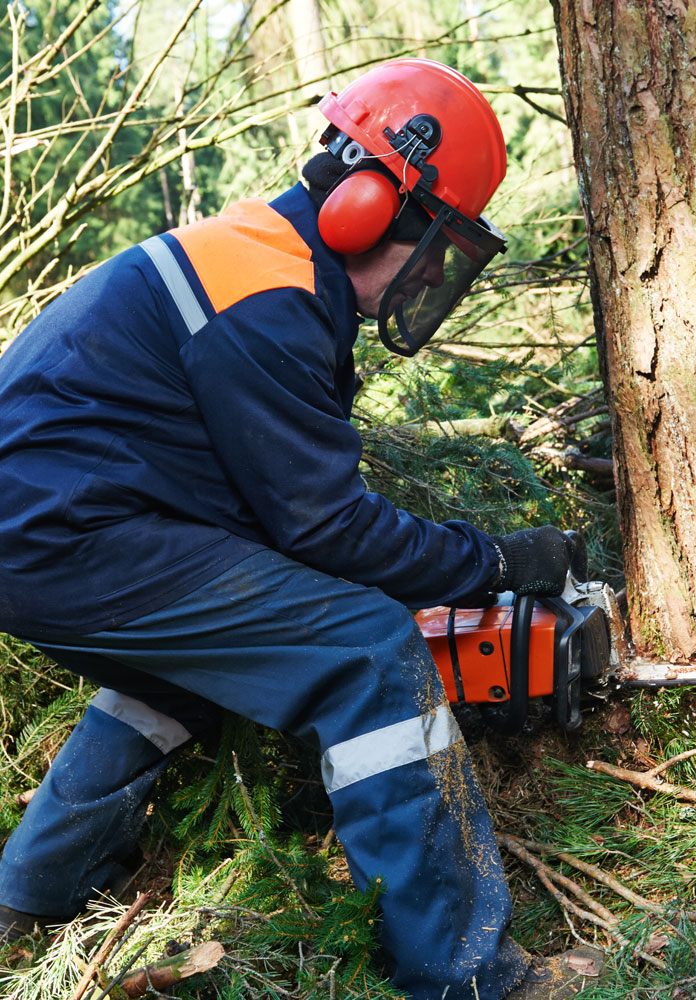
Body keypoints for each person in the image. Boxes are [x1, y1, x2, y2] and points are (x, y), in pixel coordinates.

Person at [0, 58, 584, 999]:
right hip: (68, 536)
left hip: (49, 535)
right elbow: (329, 529)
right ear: (367, 205)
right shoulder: (262, 299)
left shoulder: (255, 261)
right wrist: (496, 563)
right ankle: (466, 975)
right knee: (364, 646)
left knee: (175, 680)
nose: (430, 276)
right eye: (431, 248)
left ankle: (29, 895)